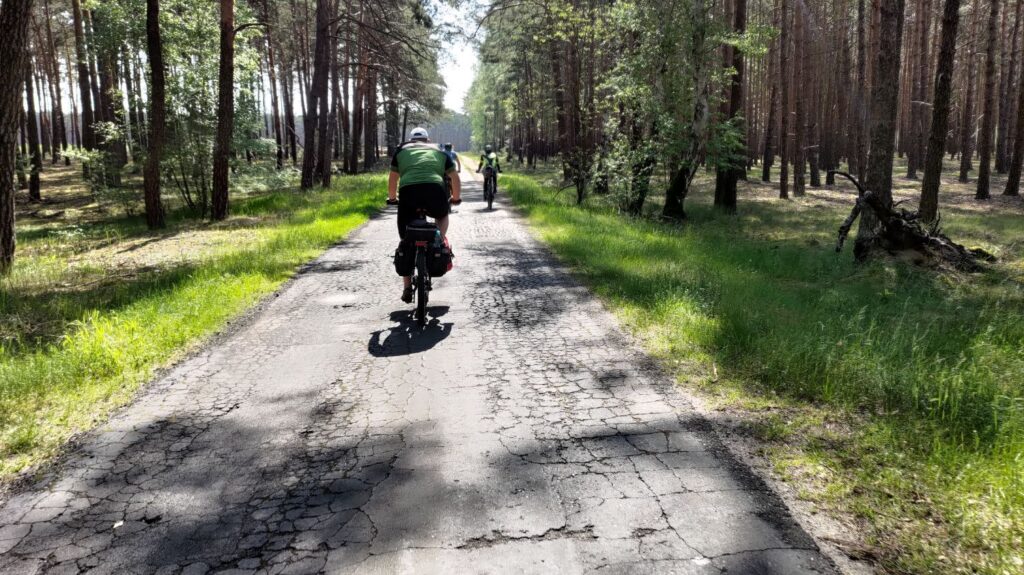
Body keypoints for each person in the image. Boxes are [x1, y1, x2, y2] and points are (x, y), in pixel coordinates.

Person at [388, 127, 462, 303]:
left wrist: (392, 198)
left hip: (408, 193)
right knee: (442, 215)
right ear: (427, 140)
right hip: (434, 191)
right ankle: (438, 240)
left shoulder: (401, 150)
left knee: (405, 240)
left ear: (410, 140)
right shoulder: (439, 150)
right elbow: (454, 177)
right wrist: (456, 198)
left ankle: (407, 287)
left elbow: (393, 178)